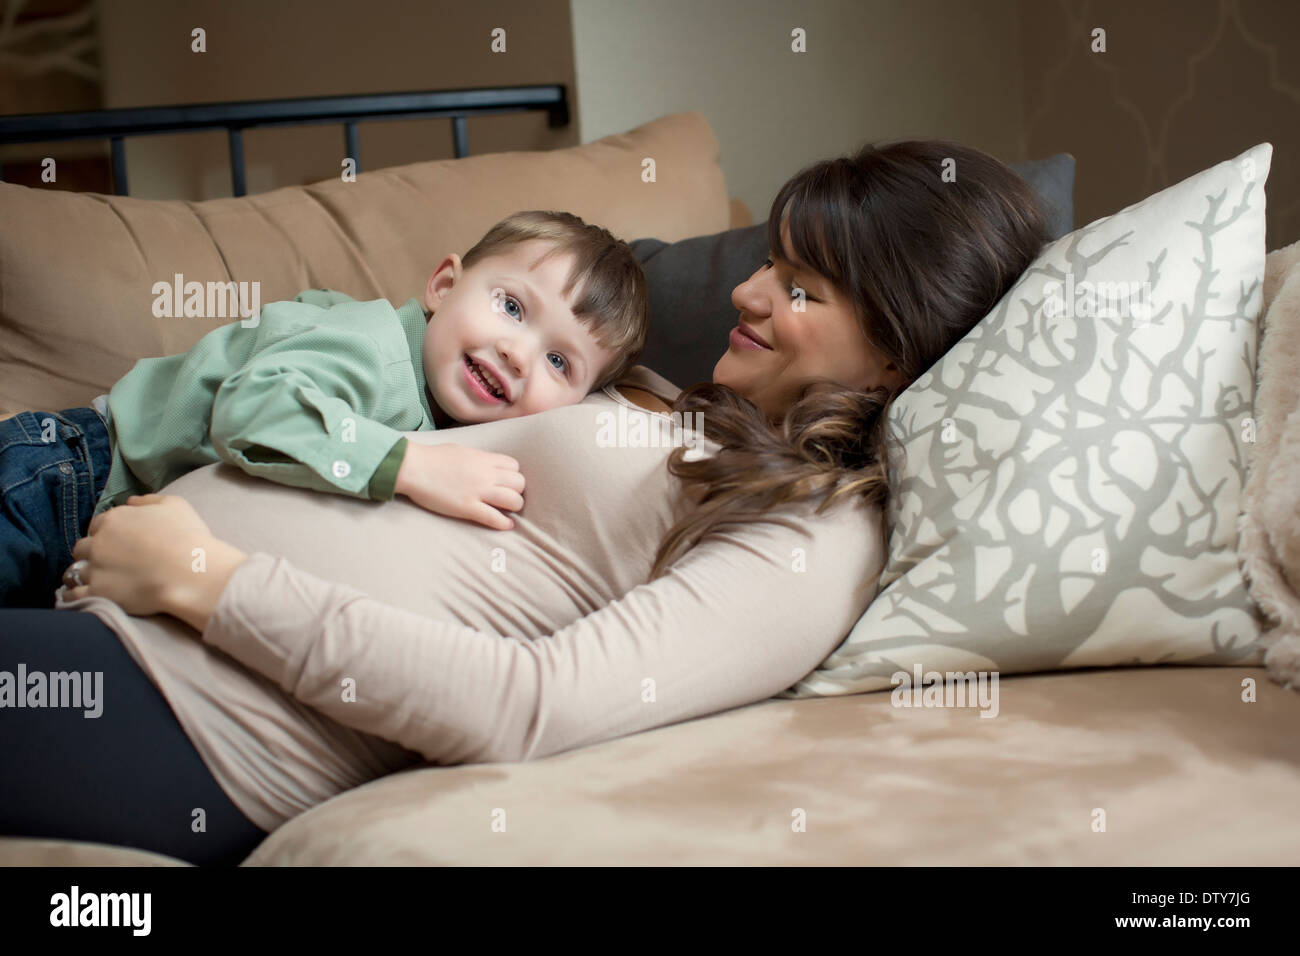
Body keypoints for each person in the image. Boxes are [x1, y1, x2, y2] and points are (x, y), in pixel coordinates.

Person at [0, 139, 1053, 866]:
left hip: (192, 714)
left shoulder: (819, 536)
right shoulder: (686, 408)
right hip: (117, 609)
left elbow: (530, 703)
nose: (747, 292)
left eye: (803, 289)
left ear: (894, 361)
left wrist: (209, 579)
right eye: (770, 264)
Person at [0, 210, 649, 607]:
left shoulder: (460, 422)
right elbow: (251, 411)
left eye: (559, 363)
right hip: (66, 472)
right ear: (444, 285)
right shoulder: (376, 352)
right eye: (511, 307)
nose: (517, 353)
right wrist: (410, 467)